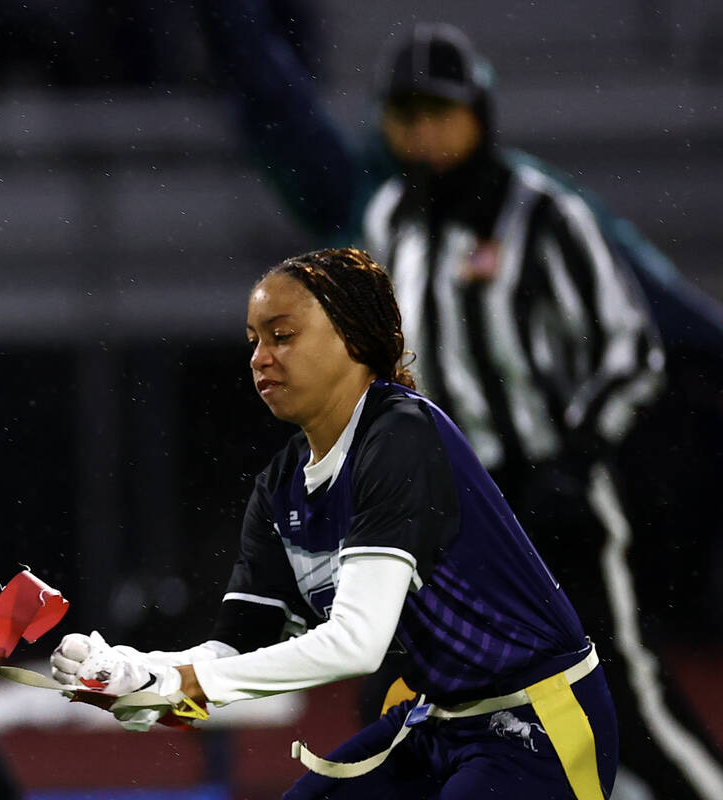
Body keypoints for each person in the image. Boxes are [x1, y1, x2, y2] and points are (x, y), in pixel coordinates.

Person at [196, 6, 723, 797]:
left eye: (443, 113)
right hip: (437, 507)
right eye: (408, 116)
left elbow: (630, 352)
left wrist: (574, 461)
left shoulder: (545, 215)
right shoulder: (386, 220)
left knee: (628, 696)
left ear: (478, 115)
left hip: (552, 501)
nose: (427, 135)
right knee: (404, 705)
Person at [51, 248, 617, 799]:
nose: (259, 357)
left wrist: (183, 685)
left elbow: (356, 644)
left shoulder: (401, 437)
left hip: (537, 721)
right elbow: (234, 649)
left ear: (353, 335)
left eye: (282, 335)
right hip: (437, 721)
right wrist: (134, 670)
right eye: (254, 341)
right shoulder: (281, 485)